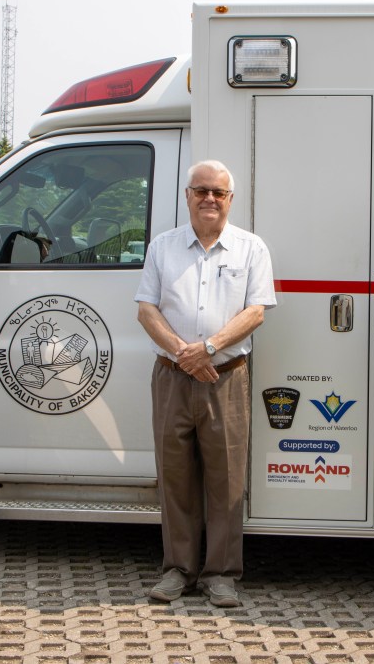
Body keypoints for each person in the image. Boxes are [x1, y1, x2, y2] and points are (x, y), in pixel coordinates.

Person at [135, 160, 276, 607]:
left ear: (230, 200)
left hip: (226, 377)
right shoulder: (163, 247)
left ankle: (221, 574)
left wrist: (208, 347)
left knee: (226, 478)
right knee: (174, 476)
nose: (209, 199)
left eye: (218, 193)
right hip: (173, 376)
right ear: (187, 195)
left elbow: (256, 311)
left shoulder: (251, 248)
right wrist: (184, 352)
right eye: (201, 191)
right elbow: (146, 310)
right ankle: (178, 570)